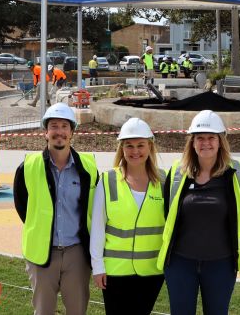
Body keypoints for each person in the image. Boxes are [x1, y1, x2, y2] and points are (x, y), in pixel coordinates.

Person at [157, 110, 240, 315]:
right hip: (180, 264)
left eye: (211, 138)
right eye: (200, 138)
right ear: (192, 141)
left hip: (221, 265)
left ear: (220, 141)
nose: (205, 143)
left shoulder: (236, 172)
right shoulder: (178, 172)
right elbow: (168, 213)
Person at [13, 103, 99, 315]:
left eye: (64, 126)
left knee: (77, 310)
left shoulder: (88, 168)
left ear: (72, 132)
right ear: (46, 132)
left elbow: (94, 209)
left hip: (77, 254)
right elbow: (22, 205)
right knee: (43, 311)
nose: (59, 131)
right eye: (53, 126)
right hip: (42, 255)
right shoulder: (28, 167)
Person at [90, 118, 165, 315]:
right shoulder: (108, 180)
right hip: (115, 271)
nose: (135, 151)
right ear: (122, 149)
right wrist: (97, 266)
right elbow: (98, 227)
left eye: (141, 145)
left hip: (152, 270)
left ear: (150, 147)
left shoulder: (164, 181)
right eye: (129, 146)